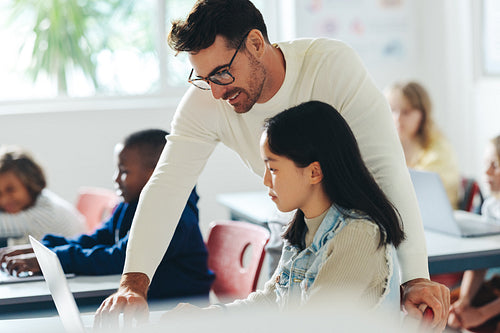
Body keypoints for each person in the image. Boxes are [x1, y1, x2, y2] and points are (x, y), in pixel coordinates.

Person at [94, 1, 449, 330]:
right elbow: (166, 187)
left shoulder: (330, 65)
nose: (215, 93)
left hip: (355, 243)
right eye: (203, 79)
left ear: (255, 43)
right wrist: (134, 285)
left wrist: (415, 276)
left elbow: (386, 169)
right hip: (295, 229)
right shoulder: (206, 100)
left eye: (221, 73)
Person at [167, 101, 406, 317]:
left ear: (314, 172)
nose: (266, 181)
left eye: (273, 169)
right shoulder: (303, 226)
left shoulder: (358, 235)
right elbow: (272, 299)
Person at [0, 129, 214, 301]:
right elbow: (97, 239)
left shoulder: (173, 214)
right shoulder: (129, 205)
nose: (116, 178)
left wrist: (56, 259)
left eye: (124, 171)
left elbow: (121, 259)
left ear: (155, 173)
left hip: (178, 307)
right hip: (148, 300)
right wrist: (45, 250)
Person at [448, 134, 500, 332]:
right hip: (492, 282)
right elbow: (479, 262)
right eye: (486, 163)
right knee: (446, 307)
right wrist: (465, 301)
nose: (486, 171)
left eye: (495, 165)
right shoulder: (491, 206)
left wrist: (483, 313)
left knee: (473, 322)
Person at [385, 81, 460, 208]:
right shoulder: (388, 146)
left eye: (406, 112)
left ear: (422, 114)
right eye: (392, 110)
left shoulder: (438, 149)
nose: (397, 118)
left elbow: (422, 194)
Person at [0, 145, 85, 246]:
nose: (3, 200)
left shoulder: (42, 216)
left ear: (29, 183)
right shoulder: (42, 199)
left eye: (11, 190)